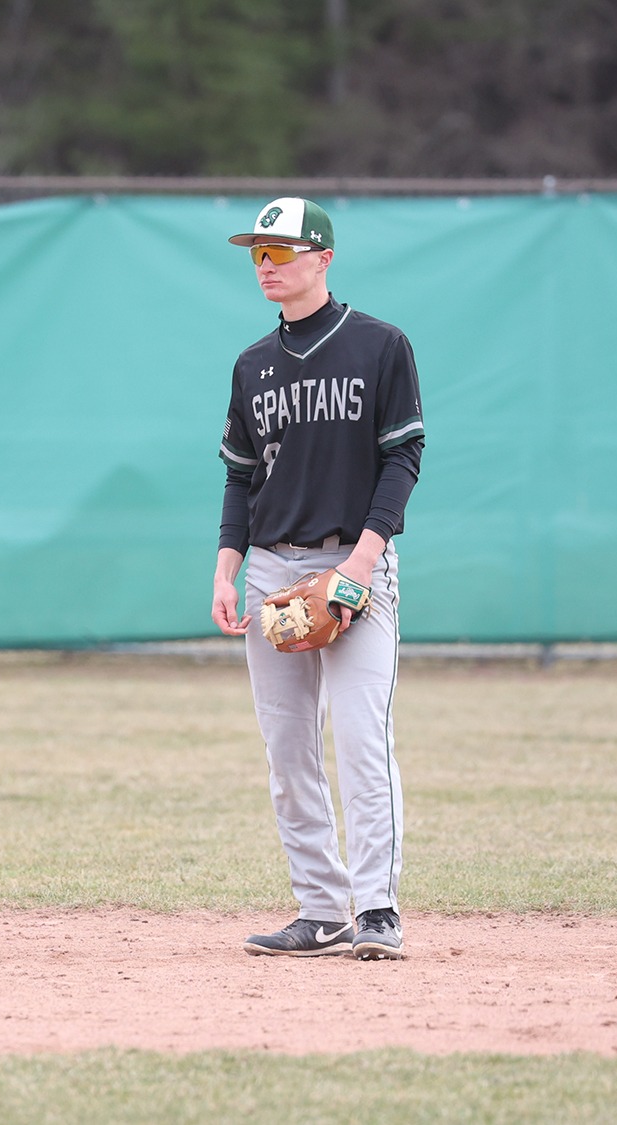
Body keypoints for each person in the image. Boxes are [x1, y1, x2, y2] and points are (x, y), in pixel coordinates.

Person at [211, 197, 425, 960]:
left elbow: (403, 459)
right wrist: (228, 566)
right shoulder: (252, 366)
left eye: (282, 251)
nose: (267, 266)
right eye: (257, 254)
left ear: (324, 259)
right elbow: (240, 477)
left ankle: (376, 908)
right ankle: (320, 906)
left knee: (364, 739)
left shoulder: (380, 346)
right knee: (288, 749)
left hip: (354, 559)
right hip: (272, 567)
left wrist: (362, 564)